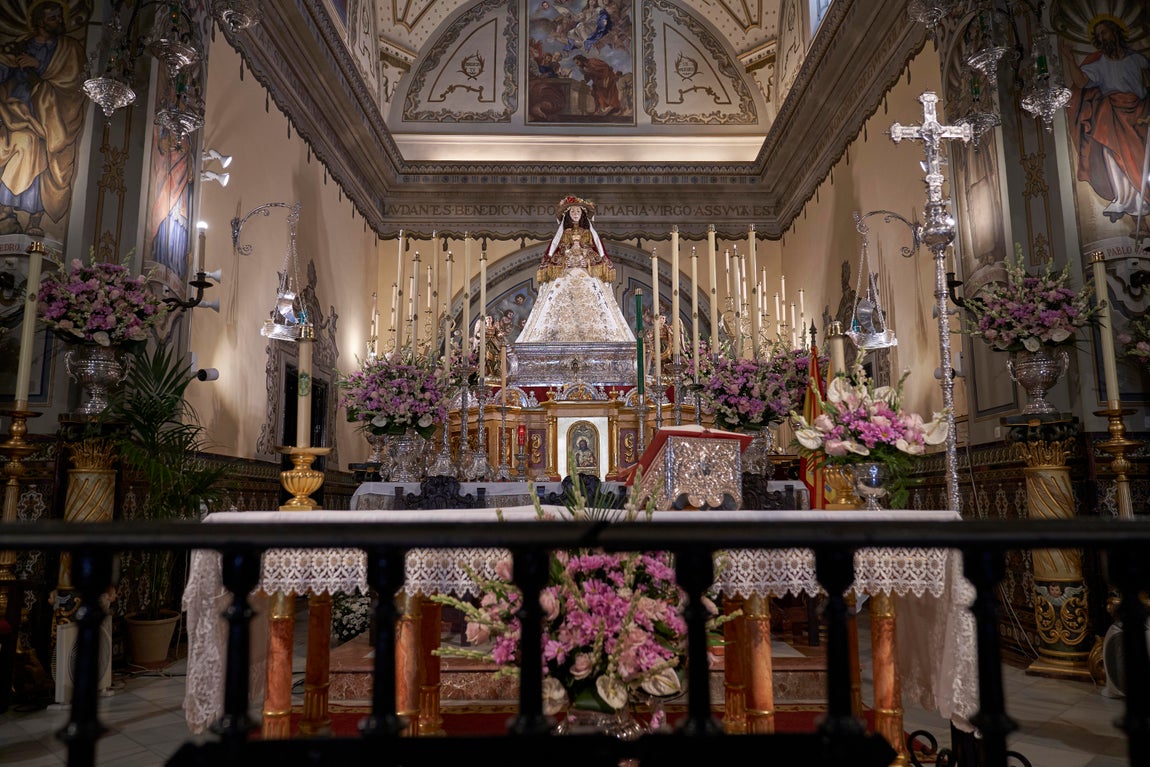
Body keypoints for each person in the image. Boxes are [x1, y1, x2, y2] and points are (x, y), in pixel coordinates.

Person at [0, 1, 87, 237]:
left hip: (50, 116)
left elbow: (75, 81)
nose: (59, 21)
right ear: (39, 21)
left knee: (41, 155)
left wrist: (38, 66)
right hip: (17, 109)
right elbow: (6, 73)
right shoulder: (23, 44)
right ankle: (6, 211)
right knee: (22, 146)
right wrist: (7, 61)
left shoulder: (69, 48)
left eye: (59, 16)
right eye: (52, 18)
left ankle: (34, 218)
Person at [1065, 17, 1150, 223]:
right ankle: (1124, 198)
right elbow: (1081, 82)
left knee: (1141, 155)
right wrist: (1069, 59)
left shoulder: (1137, 60)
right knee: (1110, 151)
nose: (1102, 38)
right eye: (1099, 36)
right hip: (1113, 113)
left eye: (1105, 32)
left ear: (1115, 31)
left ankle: (1142, 197)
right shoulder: (1100, 64)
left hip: (1139, 113)